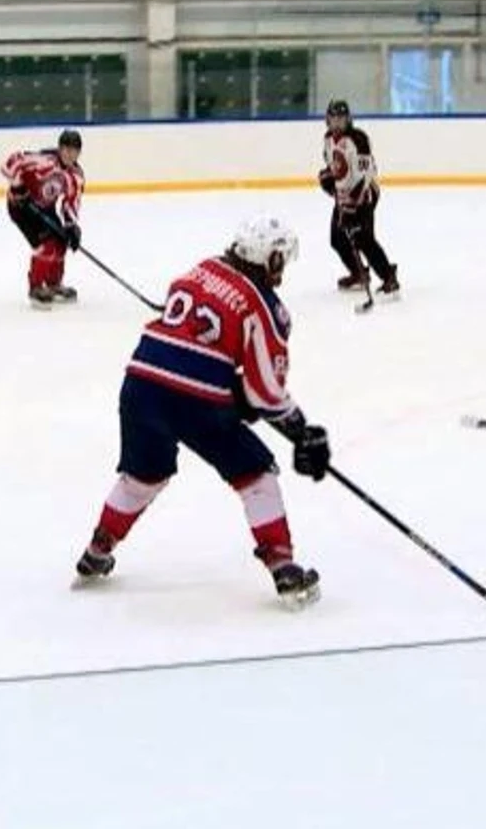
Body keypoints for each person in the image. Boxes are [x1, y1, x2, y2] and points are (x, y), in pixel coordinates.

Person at [71, 215, 330, 610]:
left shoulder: (202, 269)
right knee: (256, 475)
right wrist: (301, 430)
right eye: (280, 259)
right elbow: (265, 392)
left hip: (139, 385)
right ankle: (284, 567)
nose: (282, 269)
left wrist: (236, 394)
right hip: (195, 400)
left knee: (143, 476)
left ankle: (97, 550)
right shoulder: (267, 306)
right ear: (268, 259)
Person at [319, 99, 399, 295]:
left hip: (365, 196)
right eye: (334, 120)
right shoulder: (328, 140)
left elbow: (367, 174)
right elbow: (336, 168)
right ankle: (359, 272)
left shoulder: (359, 139)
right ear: (328, 120)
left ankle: (389, 277)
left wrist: (355, 203)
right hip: (344, 197)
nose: (338, 124)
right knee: (337, 239)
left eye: (342, 120)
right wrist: (328, 178)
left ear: (349, 120)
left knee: (364, 239)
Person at [1, 128, 86, 308]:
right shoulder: (43, 160)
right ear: (60, 148)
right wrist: (18, 188)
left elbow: (70, 202)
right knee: (47, 244)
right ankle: (36, 287)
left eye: (75, 151)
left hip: (43, 207)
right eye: (67, 149)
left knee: (61, 240)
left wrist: (71, 226)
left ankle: (53, 283)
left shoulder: (75, 176)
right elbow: (11, 162)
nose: (70, 154)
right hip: (21, 207)